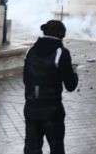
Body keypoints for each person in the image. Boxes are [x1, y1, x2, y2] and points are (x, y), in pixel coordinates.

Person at [23, 20, 79, 154]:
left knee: (32, 149)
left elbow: (26, 80)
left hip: (31, 107)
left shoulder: (31, 50)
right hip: (52, 109)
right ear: (61, 35)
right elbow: (70, 86)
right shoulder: (61, 52)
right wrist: (74, 73)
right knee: (56, 147)